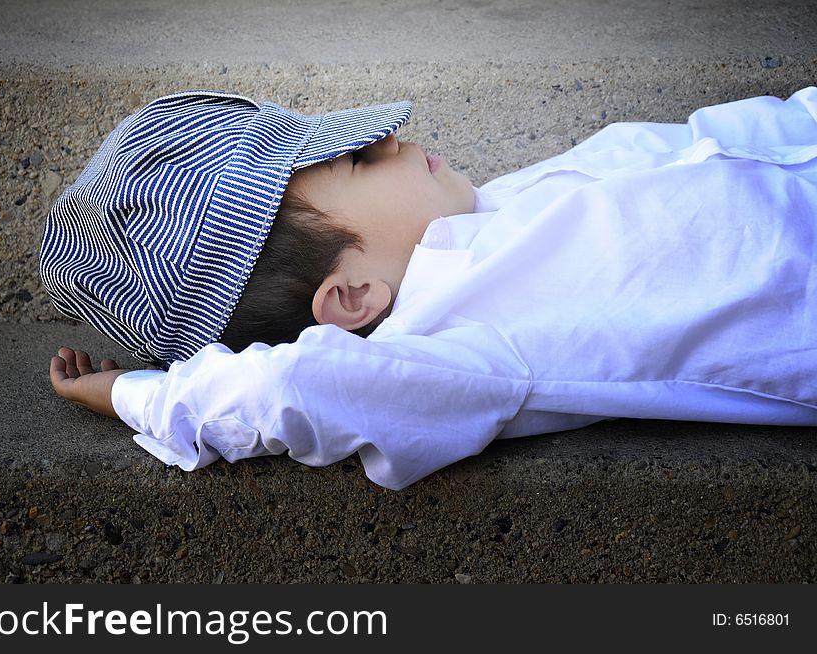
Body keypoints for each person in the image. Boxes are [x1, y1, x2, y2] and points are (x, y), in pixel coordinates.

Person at [42, 87, 817, 490]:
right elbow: (291, 389)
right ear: (350, 299)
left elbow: (720, 136)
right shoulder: (455, 347)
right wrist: (129, 394)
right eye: (355, 162)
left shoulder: (499, 202)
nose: (386, 139)